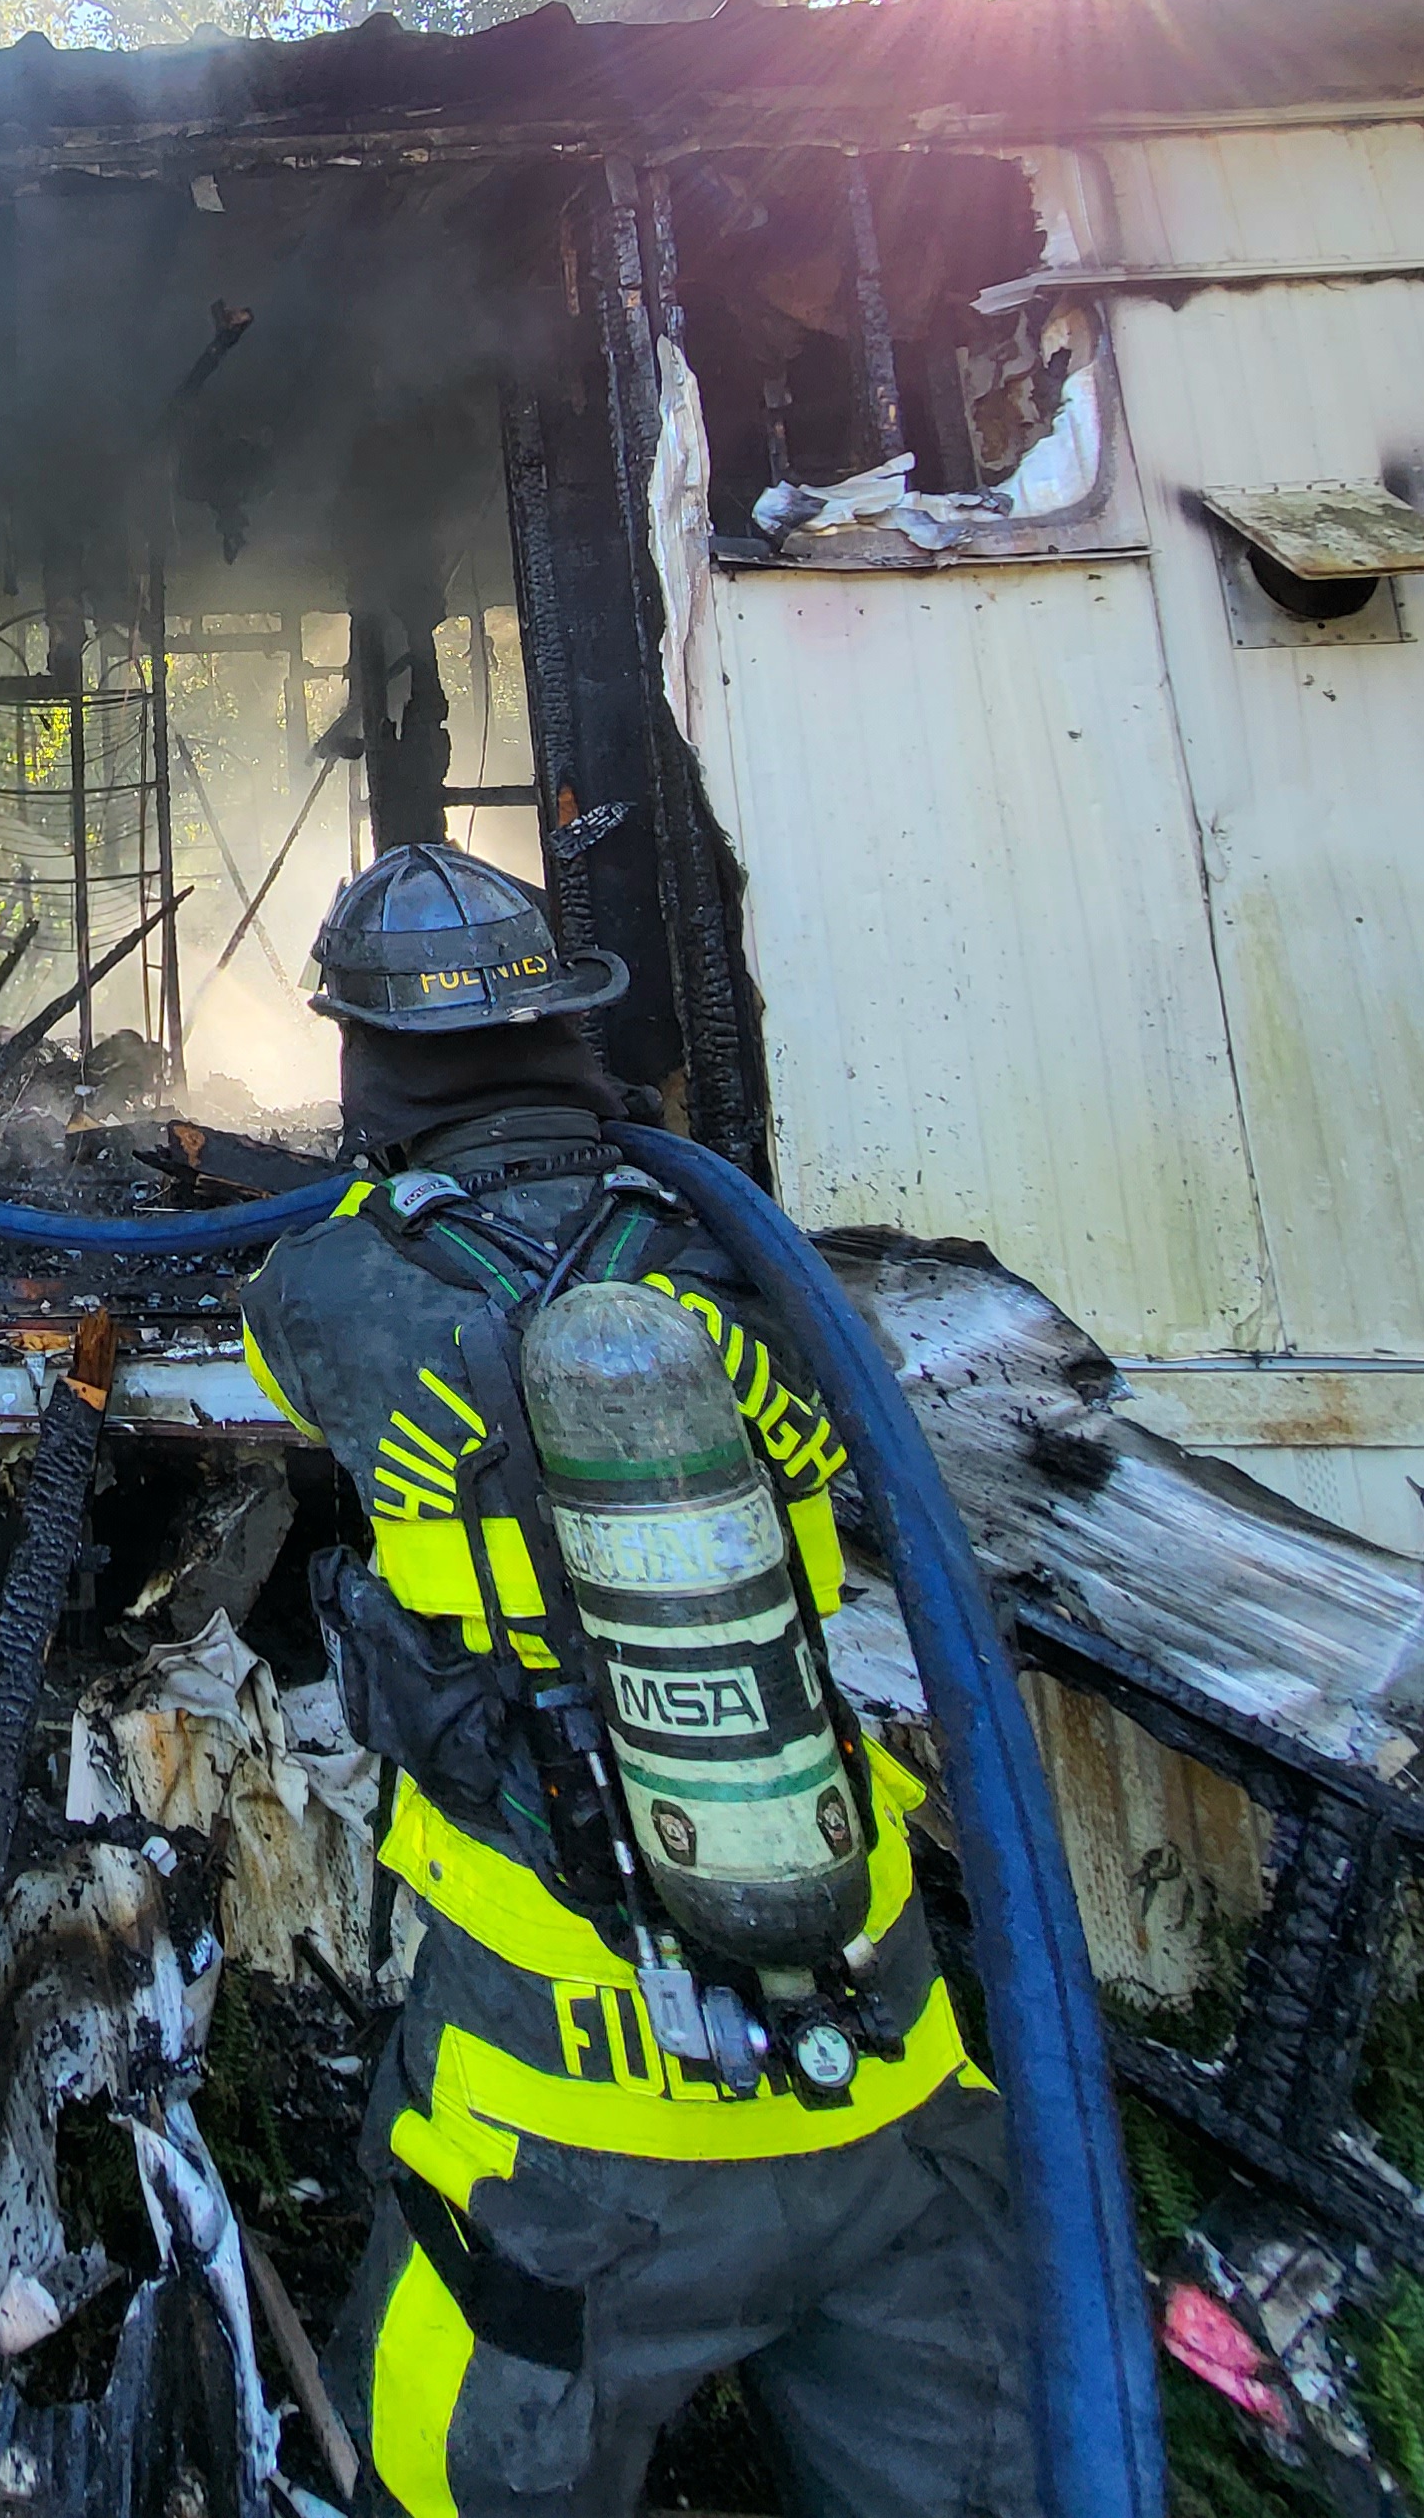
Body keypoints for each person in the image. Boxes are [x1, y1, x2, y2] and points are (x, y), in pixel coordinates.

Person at [241, 842, 1038, 2518]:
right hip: (893, 2090)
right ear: (568, 1028)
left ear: (362, 1059)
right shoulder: (750, 1271)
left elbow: (279, 1322)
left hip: (567, 2136)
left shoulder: (342, 1290)